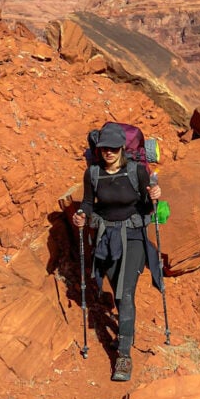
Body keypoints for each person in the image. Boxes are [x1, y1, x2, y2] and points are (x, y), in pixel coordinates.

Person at [72, 122, 161, 382]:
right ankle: (125, 333)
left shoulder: (135, 171)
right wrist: (81, 215)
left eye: (112, 148)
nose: (108, 152)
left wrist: (154, 196)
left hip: (132, 237)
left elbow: (146, 207)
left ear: (122, 147)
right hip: (106, 237)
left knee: (124, 293)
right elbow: (89, 203)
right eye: (103, 148)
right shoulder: (93, 174)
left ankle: (123, 355)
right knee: (115, 287)